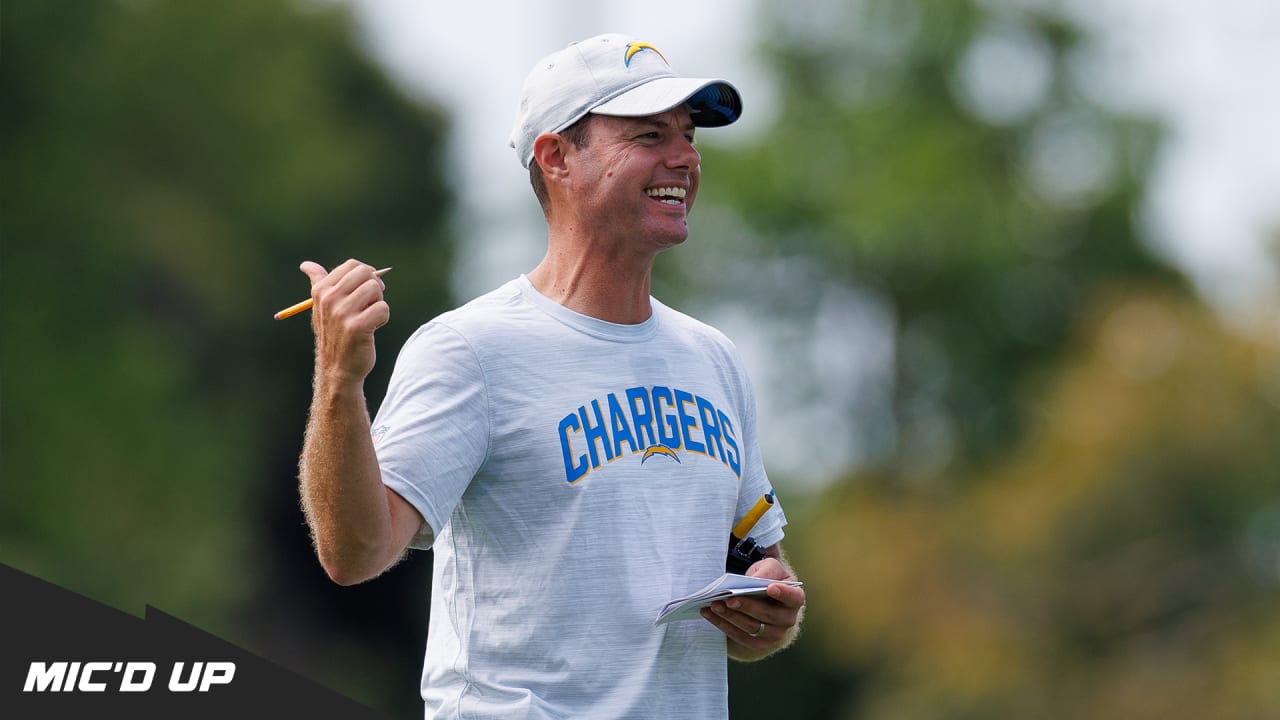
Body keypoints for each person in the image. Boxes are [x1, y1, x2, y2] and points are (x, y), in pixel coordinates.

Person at [296, 33, 806, 719]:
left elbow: (758, 565)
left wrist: (768, 609)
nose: (684, 158)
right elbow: (354, 552)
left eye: (688, 136)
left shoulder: (713, 359)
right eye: (650, 135)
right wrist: (338, 382)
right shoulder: (470, 349)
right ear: (557, 157)